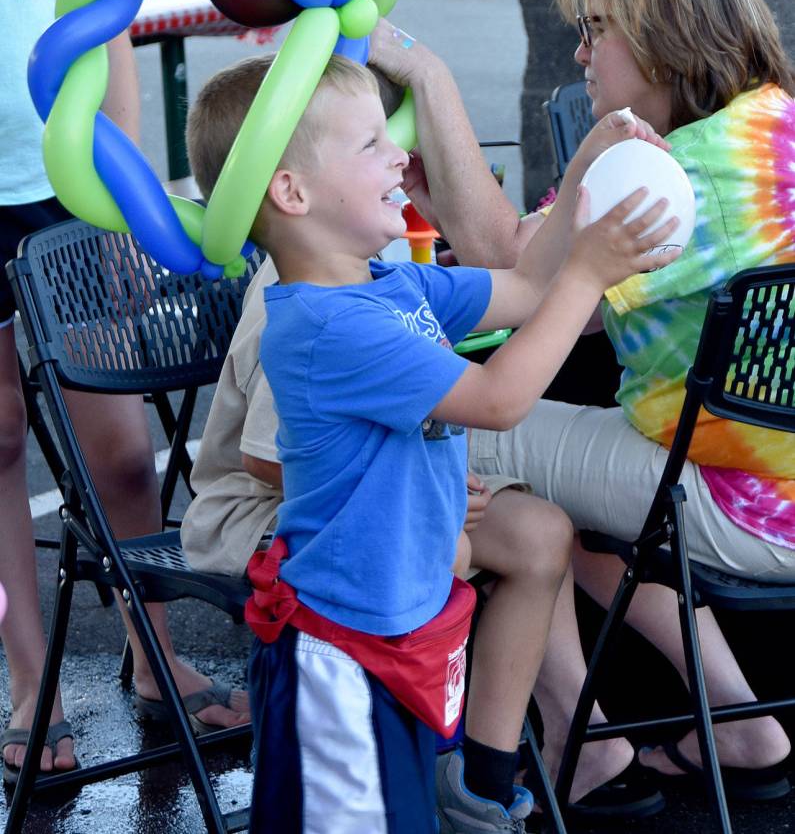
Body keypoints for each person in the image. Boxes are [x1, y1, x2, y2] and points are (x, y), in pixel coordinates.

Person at [184, 45, 678, 832]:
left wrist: (586, 163)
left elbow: (521, 288)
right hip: (344, 651)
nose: (400, 155)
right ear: (292, 190)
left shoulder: (390, 282)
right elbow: (498, 397)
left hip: (403, 626)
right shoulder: (323, 324)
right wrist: (589, 272)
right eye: (371, 144)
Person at [377, 0, 795, 801]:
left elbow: (508, 268)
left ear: (664, 34)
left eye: (598, 29)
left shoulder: (682, 173)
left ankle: (580, 735)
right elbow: (562, 277)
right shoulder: (772, 129)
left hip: (736, 502)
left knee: (461, 441)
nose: (580, 54)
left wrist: (426, 72)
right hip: (756, 480)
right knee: (567, 482)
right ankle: (741, 723)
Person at [0, 0, 248, 786]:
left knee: (124, 460)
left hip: (67, 191)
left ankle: (156, 659)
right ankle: (34, 685)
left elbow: (109, 33)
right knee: (2, 444)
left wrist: (122, 199)